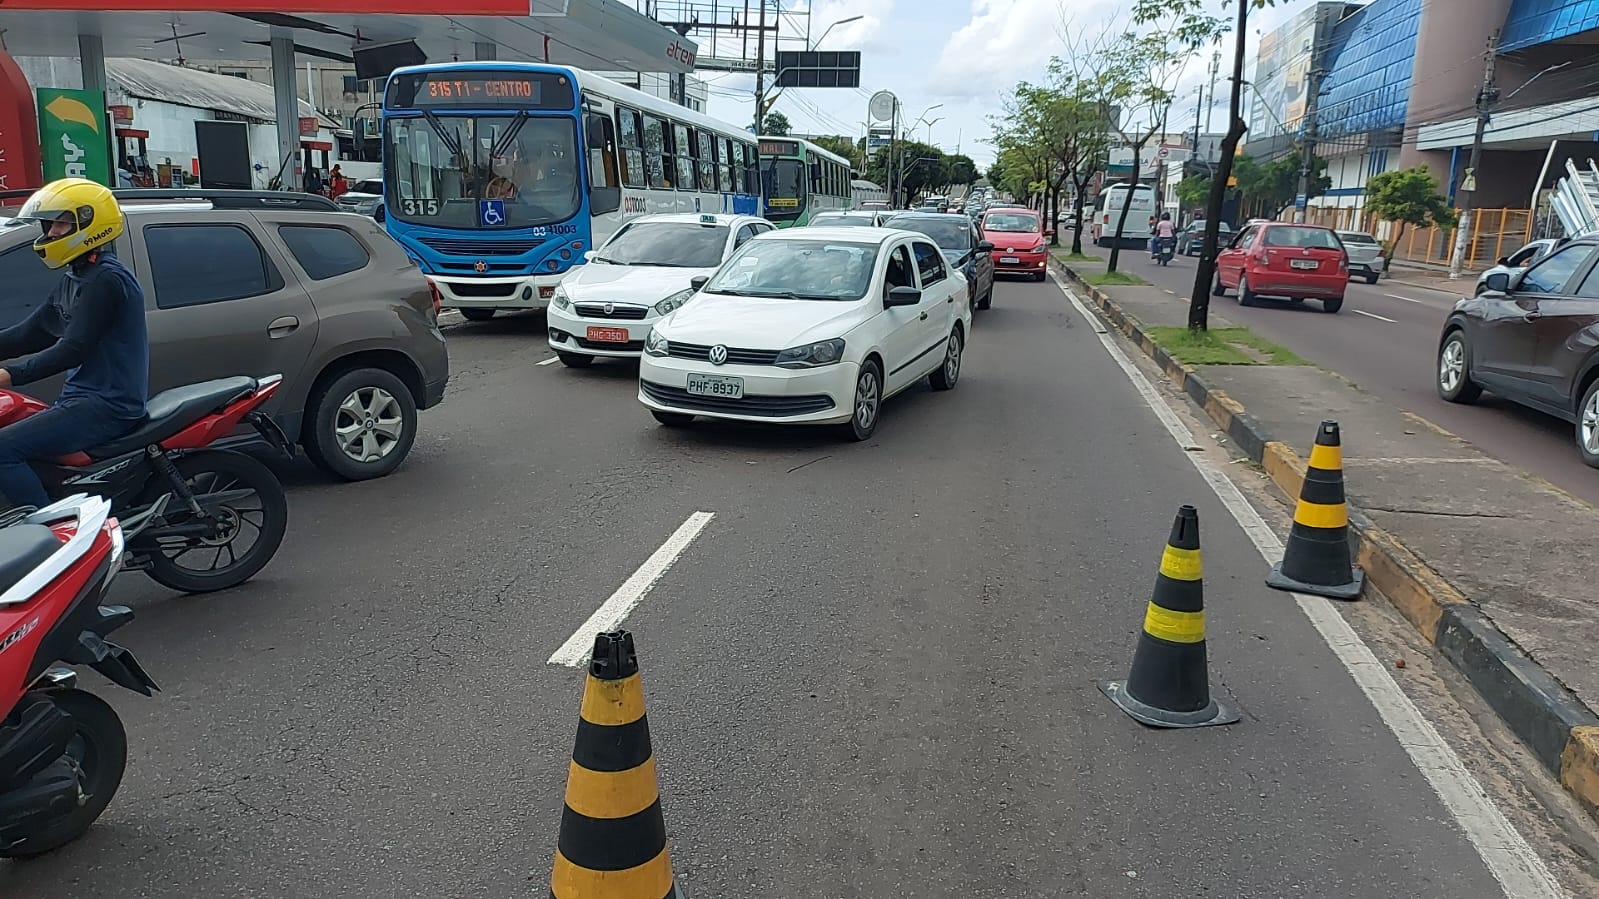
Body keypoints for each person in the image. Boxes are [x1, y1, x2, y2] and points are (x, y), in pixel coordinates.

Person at [0, 179, 150, 509]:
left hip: (108, 405)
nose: (52, 233)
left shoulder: (106, 280)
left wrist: (9, 374)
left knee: (3, 449)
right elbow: (32, 332)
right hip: (81, 398)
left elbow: (73, 349)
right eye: (51, 224)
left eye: (62, 223)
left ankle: (51, 540)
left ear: (89, 223)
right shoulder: (78, 275)